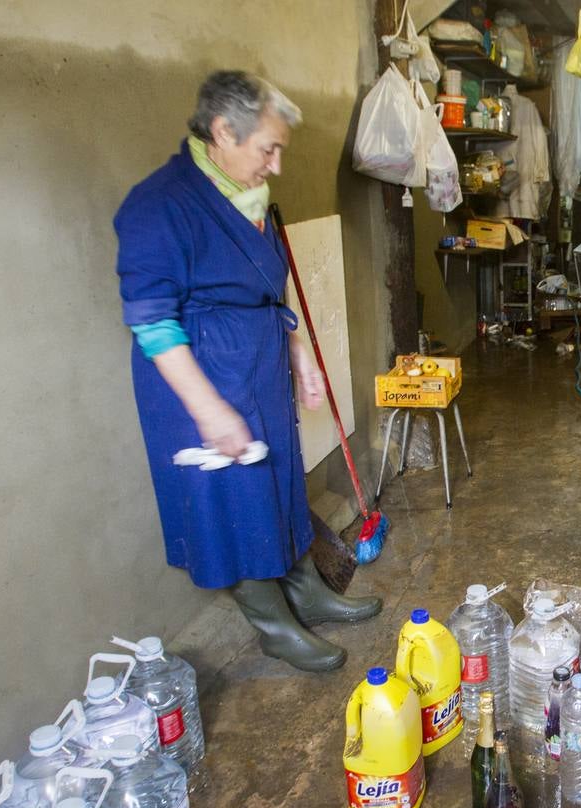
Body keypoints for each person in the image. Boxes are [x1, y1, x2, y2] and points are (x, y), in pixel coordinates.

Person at [114, 71, 380, 672]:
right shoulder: (160, 205)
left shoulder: (247, 199)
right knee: (232, 501)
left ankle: (308, 592)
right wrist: (209, 412)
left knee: (278, 484)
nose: (277, 165)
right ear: (222, 132)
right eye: (269, 149)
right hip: (202, 376)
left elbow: (271, 290)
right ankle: (273, 626)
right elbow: (152, 323)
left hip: (257, 367)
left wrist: (302, 357)